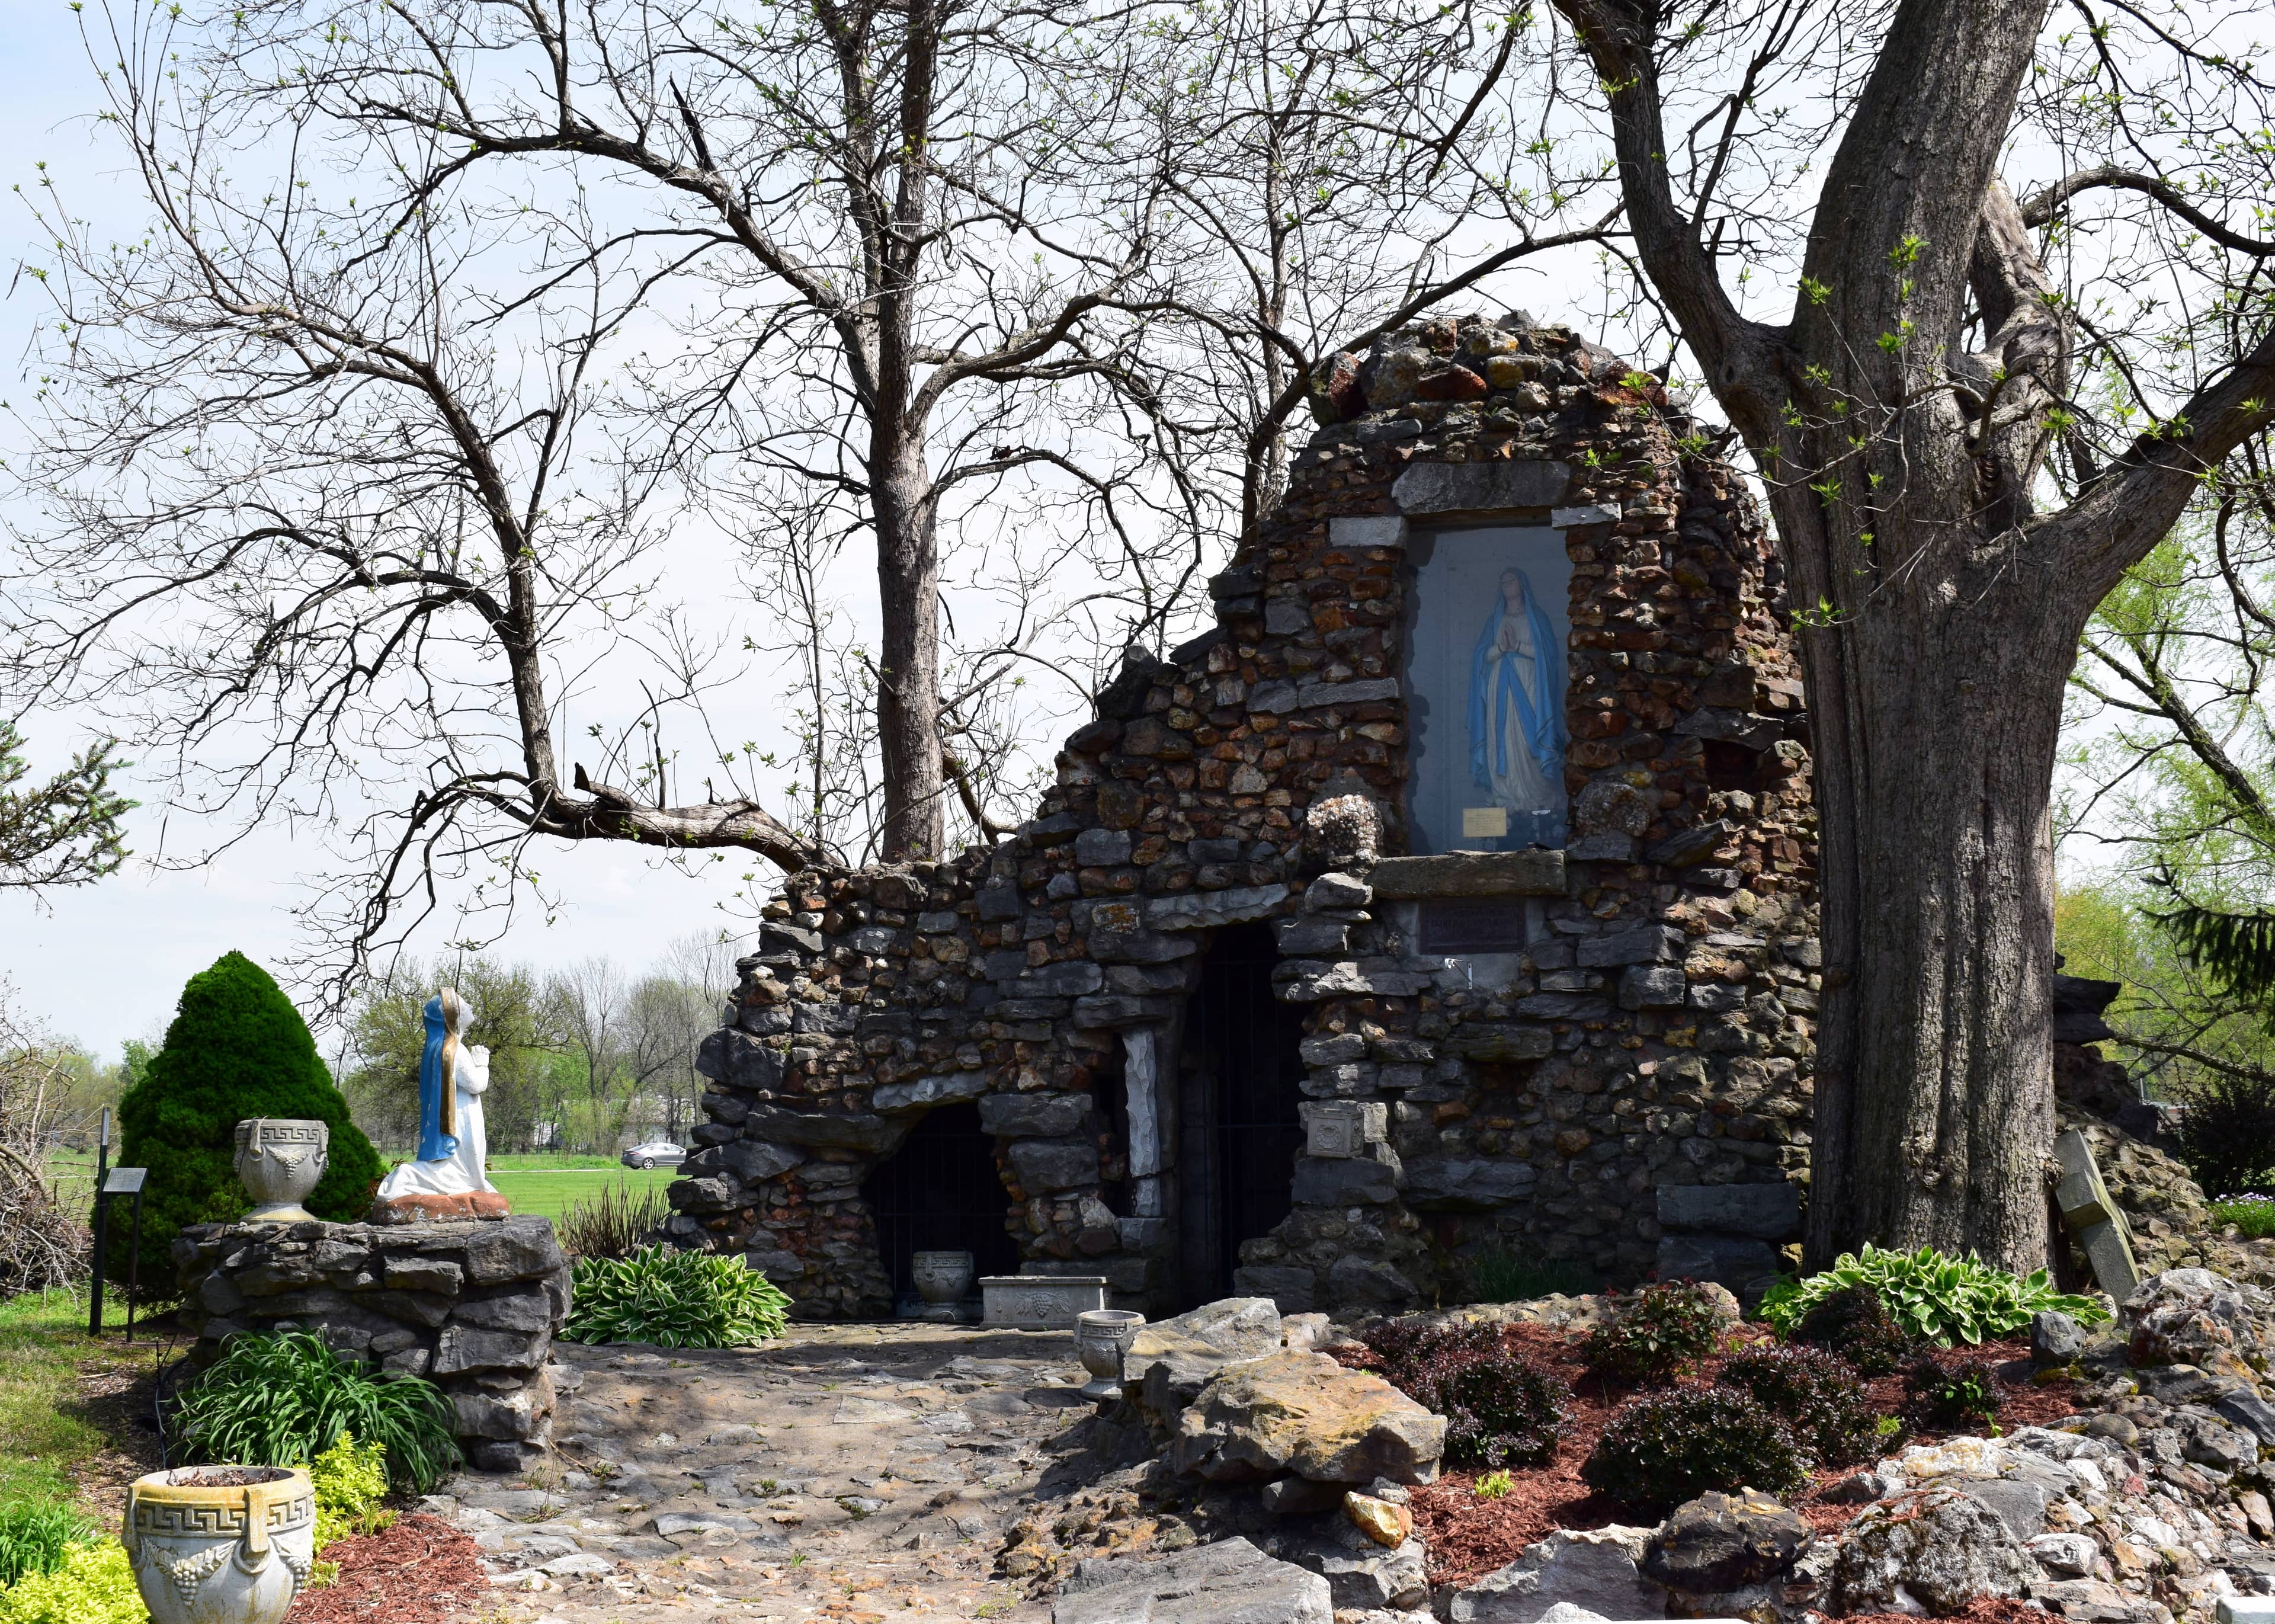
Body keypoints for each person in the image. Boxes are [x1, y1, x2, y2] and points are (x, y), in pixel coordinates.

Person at [1467, 566, 1568, 846]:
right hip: (1501, 690)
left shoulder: (1537, 619)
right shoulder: (1494, 620)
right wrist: (1501, 648)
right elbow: (1482, 658)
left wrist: (1517, 647)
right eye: (1502, 581)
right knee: (1502, 743)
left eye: (1511, 580)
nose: (1506, 584)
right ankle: (1507, 799)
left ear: (1522, 584)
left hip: (1531, 687)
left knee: (1528, 741)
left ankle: (1537, 796)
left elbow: (1548, 655)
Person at [373, 988, 496, 1200]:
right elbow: (477, 1085)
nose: (471, 1007)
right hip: (461, 1116)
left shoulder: (437, 1047)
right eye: (465, 1005)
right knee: (459, 1164)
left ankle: (470, 1182)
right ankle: (410, 1177)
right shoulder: (454, 1050)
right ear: (453, 1016)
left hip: (455, 1114)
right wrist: (483, 1064)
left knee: (461, 1165)